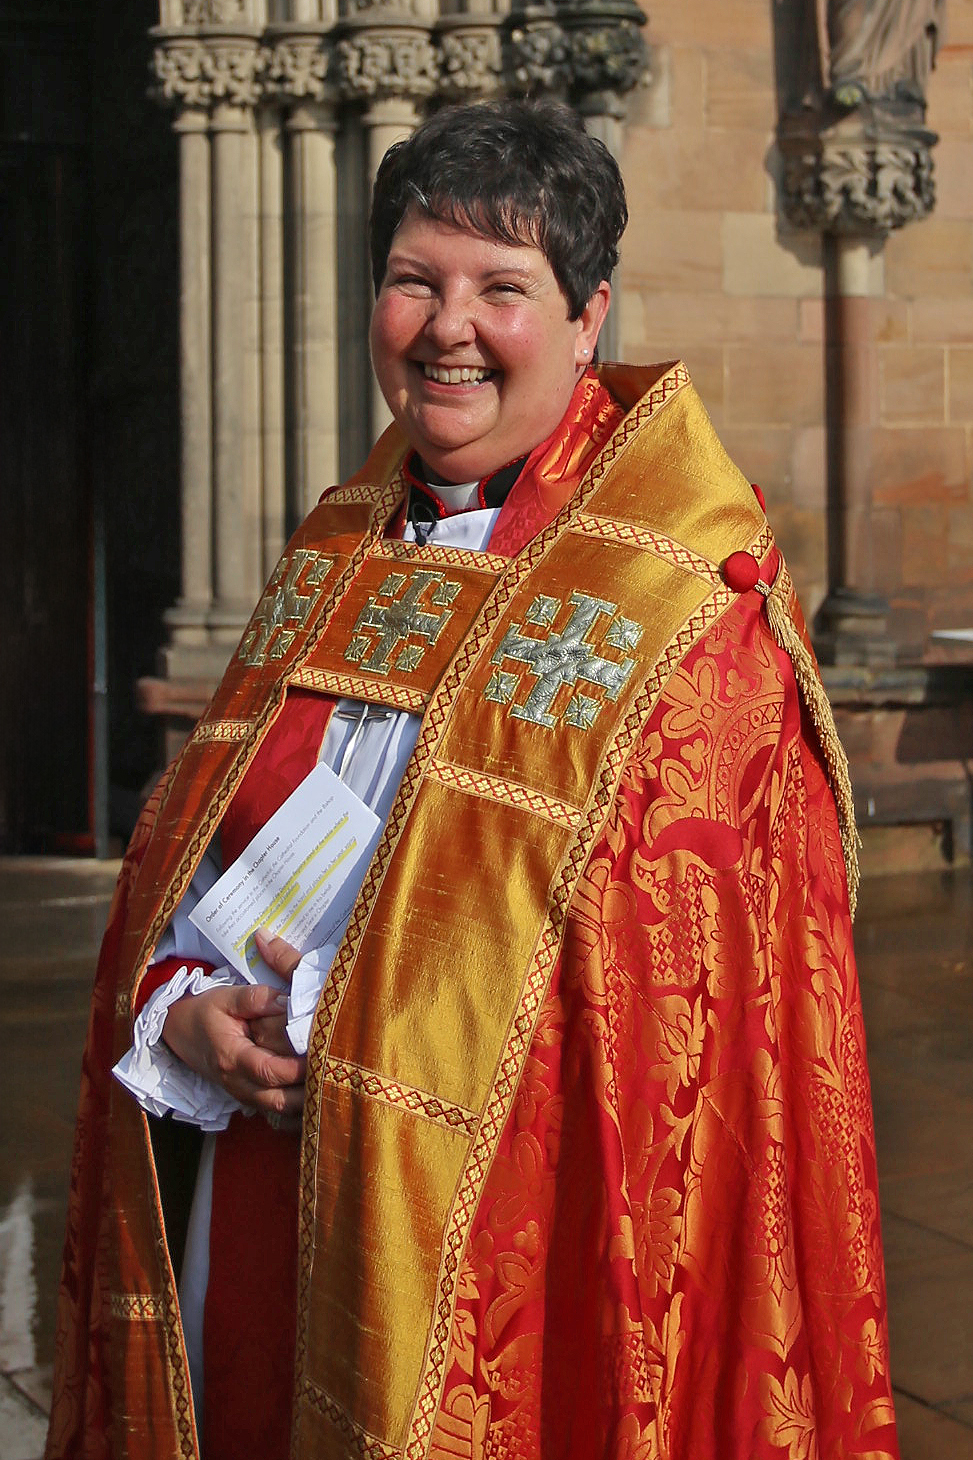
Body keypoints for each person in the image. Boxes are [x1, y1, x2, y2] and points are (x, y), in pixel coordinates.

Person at [46, 98, 900, 1460]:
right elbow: (194, 857)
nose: (447, 327)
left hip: (525, 1239)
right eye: (411, 280)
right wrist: (183, 1008)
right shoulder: (339, 546)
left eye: (501, 288)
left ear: (586, 319)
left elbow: (678, 997)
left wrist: (354, 1011)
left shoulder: (685, 599)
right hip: (263, 1170)